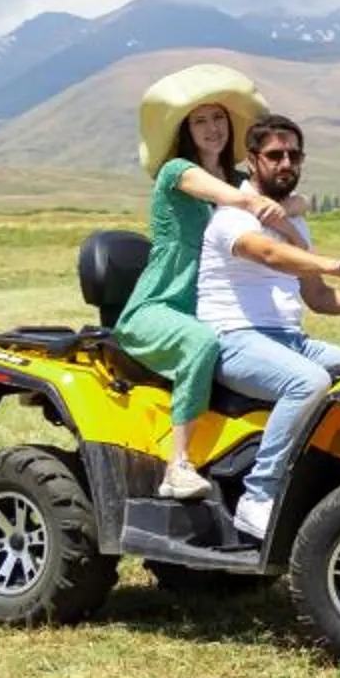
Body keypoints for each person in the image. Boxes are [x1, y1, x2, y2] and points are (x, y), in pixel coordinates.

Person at [117, 64, 296, 501]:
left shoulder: (239, 179)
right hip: (159, 307)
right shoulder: (177, 172)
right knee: (199, 344)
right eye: (201, 121)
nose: (212, 128)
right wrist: (262, 203)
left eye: (218, 119)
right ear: (186, 130)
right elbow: (234, 197)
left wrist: (288, 205)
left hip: (209, 306)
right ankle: (177, 466)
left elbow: (284, 198)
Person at [198, 113, 340, 542]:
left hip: (290, 340)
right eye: (274, 155)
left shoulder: (294, 224)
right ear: (252, 160)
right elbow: (270, 257)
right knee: (308, 384)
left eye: (293, 155)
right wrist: (335, 264)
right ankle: (259, 496)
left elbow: (318, 298)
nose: (285, 163)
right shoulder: (232, 215)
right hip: (233, 338)